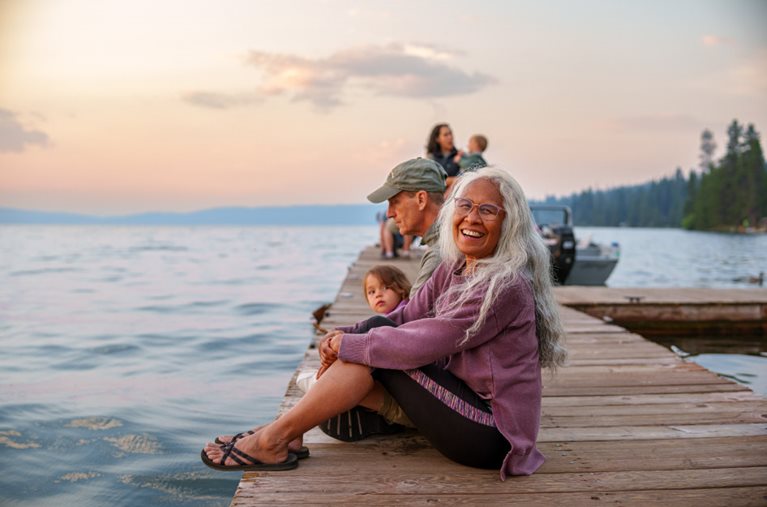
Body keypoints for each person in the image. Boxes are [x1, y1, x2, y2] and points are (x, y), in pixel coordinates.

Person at [201, 167, 567, 479]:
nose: (472, 218)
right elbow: (406, 315)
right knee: (375, 330)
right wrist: (347, 333)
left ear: (509, 223)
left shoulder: (505, 286)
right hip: (461, 404)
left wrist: (353, 346)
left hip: (494, 436)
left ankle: (274, 439)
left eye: (488, 210)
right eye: (466, 206)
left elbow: (432, 339)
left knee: (380, 353)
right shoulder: (453, 267)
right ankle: (285, 434)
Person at [367, 158, 446, 296]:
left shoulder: (440, 254)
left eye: (395, 202)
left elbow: (412, 315)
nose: (389, 213)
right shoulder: (449, 239)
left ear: (421, 199)